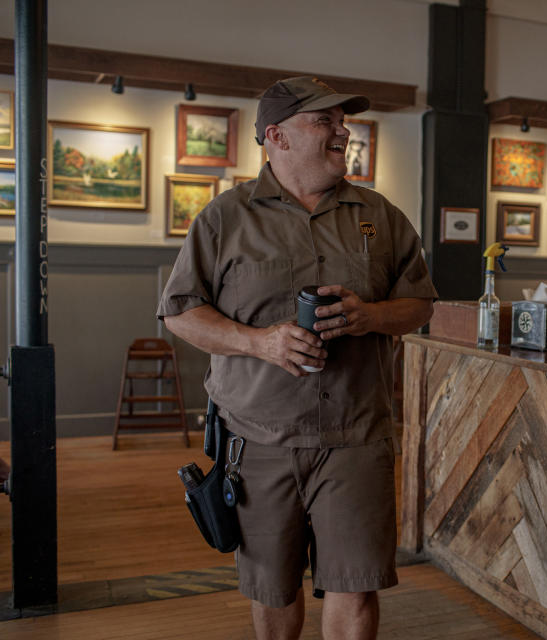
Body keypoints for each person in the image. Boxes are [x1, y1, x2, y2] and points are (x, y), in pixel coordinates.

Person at [157, 76, 436, 640]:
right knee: (273, 587)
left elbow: (419, 305)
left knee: (354, 586)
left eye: (342, 120)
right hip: (258, 439)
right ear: (277, 136)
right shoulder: (224, 218)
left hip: (356, 437)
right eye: (324, 120)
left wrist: (371, 316)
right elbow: (180, 313)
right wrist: (259, 342)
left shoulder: (381, 218)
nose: (343, 129)